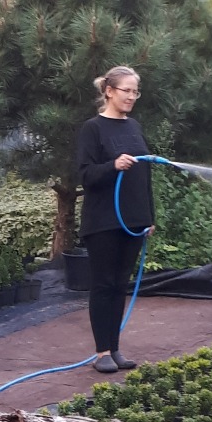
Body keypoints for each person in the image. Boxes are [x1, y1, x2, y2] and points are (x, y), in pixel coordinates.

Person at [77, 66, 154, 373]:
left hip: (134, 221)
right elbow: (85, 175)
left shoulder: (133, 126)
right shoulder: (93, 129)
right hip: (104, 221)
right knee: (104, 284)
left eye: (136, 92)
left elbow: (145, 173)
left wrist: (149, 217)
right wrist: (113, 165)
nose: (132, 97)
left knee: (121, 284)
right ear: (109, 91)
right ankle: (101, 352)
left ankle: (116, 348)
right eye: (127, 91)